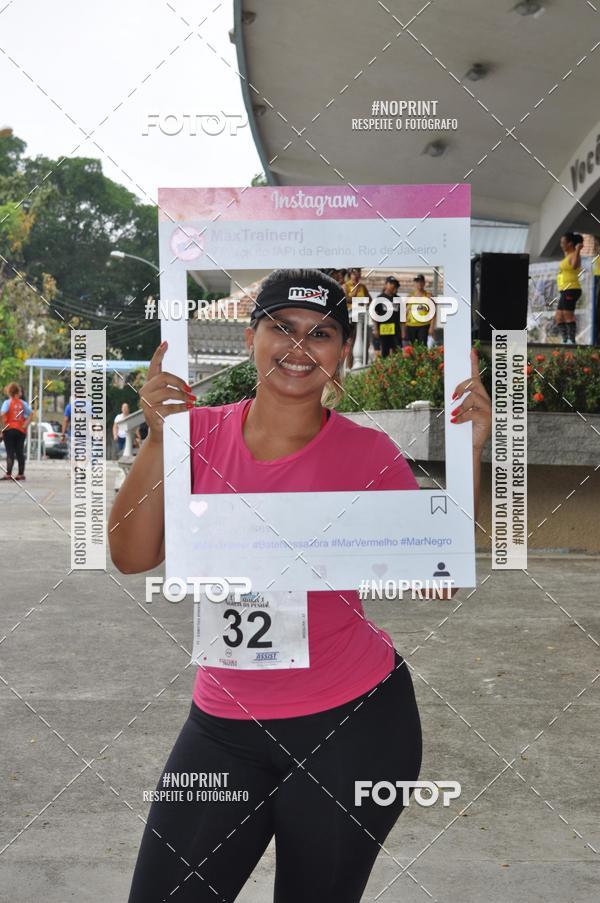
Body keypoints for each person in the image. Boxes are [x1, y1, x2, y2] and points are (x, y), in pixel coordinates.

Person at [109, 268, 491, 903]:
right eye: (281, 327)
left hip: (354, 725)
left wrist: (471, 447)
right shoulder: (195, 434)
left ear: (342, 352)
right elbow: (130, 556)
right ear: (251, 336)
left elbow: (437, 573)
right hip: (223, 724)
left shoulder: (370, 456)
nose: (297, 347)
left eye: (321, 334)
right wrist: (158, 436)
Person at [555, 231, 583, 344]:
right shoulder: (567, 256)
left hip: (571, 289)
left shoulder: (575, 255)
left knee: (568, 316)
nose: (561, 245)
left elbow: (575, 265)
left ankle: (571, 341)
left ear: (570, 244)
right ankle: (565, 339)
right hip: (564, 290)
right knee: (558, 317)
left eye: (563, 242)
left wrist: (578, 249)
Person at [1, 382, 33, 481]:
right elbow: (31, 414)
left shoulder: (7, 403)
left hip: (9, 430)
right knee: (19, 452)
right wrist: (25, 424)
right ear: (17, 393)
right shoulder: (23, 403)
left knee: (10, 452)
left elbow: (2, 414)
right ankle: (21, 474)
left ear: (9, 392)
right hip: (20, 430)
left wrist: (3, 426)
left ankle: (8, 474)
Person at [344, 267, 370, 368]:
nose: (356, 275)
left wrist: (365, 301)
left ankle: (362, 364)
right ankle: (348, 366)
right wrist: (355, 297)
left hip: (361, 316)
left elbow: (369, 299)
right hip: (350, 316)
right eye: (354, 273)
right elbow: (345, 298)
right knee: (350, 342)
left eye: (358, 273)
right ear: (350, 274)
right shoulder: (346, 286)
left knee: (363, 340)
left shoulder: (362, 287)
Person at [371, 275, 401, 357]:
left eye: (394, 284)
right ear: (385, 284)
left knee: (397, 351)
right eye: (390, 283)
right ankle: (385, 369)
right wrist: (376, 329)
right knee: (385, 351)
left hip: (396, 329)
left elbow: (402, 316)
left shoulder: (398, 299)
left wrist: (403, 330)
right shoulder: (379, 298)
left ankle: (395, 369)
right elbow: (374, 315)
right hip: (384, 328)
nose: (392, 285)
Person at [404, 274, 436, 347]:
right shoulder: (409, 297)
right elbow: (404, 313)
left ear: (424, 283)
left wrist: (431, 327)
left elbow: (433, 313)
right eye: (417, 282)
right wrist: (404, 328)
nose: (419, 284)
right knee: (412, 347)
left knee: (422, 346)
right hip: (410, 326)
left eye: (421, 281)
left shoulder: (429, 296)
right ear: (414, 283)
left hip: (424, 326)